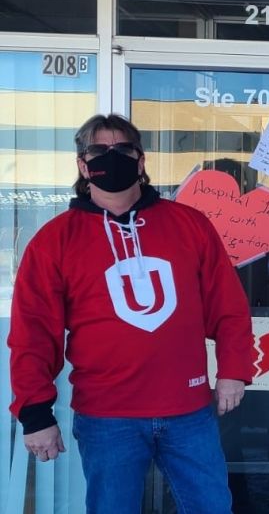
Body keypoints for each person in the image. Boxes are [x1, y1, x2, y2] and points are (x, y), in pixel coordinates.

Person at [7, 114, 254, 513]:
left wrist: (233, 370)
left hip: (188, 410)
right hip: (107, 417)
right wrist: (35, 412)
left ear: (140, 162)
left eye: (122, 150)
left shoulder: (188, 225)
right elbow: (33, 332)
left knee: (211, 507)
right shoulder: (56, 240)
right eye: (99, 151)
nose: (112, 158)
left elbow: (227, 306)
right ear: (83, 165)